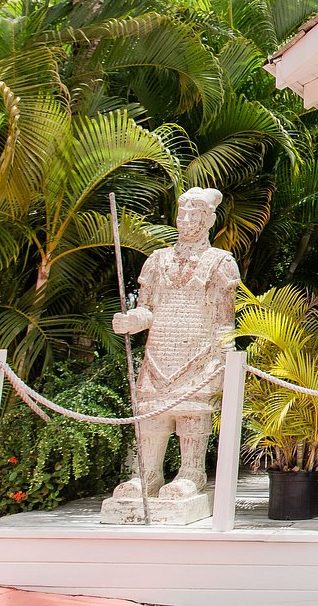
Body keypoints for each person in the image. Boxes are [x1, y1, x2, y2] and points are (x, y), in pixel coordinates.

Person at [110, 187, 239, 503]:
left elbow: (225, 318)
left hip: (198, 353)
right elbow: (147, 308)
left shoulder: (220, 262)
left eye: (193, 214)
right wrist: (131, 320)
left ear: (208, 219)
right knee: (152, 416)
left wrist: (226, 357)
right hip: (160, 352)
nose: (185, 220)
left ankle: (191, 473)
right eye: (181, 214)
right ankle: (147, 473)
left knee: (192, 416)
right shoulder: (158, 260)